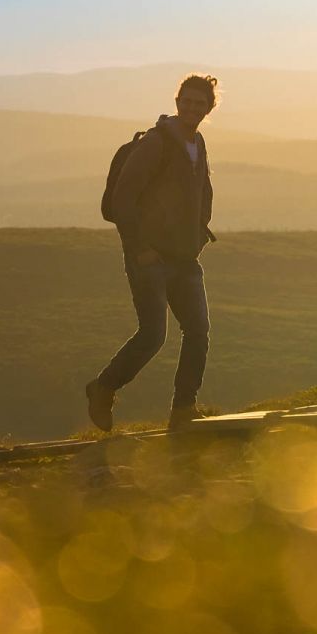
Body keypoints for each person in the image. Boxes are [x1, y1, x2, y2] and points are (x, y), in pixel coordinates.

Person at [87, 73, 218, 432]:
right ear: (177, 103)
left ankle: (183, 411)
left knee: (198, 331)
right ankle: (103, 387)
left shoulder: (198, 142)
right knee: (153, 334)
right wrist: (140, 248)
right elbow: (122, 199)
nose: (193, 108)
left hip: (184, 256)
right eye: (187, 101)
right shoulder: (156, 144)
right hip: (150, 258)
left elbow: (202, 191)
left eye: (200, 103)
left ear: (209, 109)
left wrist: (199, 233)